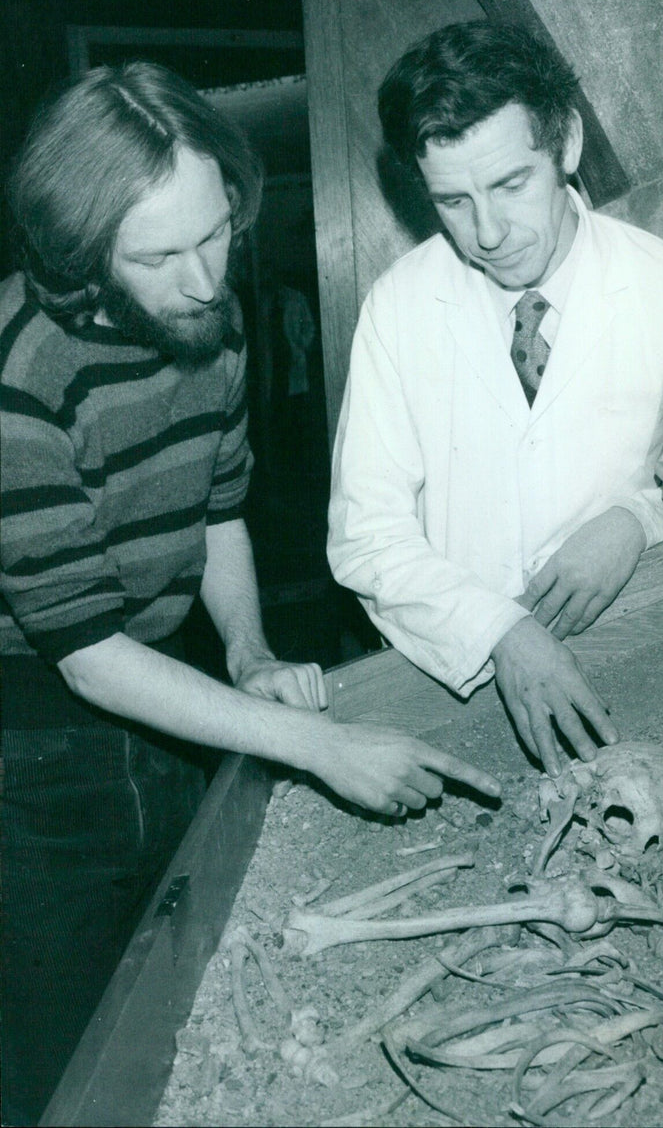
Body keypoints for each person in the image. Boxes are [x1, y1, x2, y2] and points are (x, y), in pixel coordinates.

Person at [0, 61, 499, 1125]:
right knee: (65, 1039)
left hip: (152, 668)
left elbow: (215, 509)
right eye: (159, 254)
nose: (201, 278)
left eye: (213, 233)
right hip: (24, 716)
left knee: (175, 965)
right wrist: (320, 743)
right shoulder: (17, 383)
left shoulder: (211, 325)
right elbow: (83, 651)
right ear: (82, 253)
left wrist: (249, 650)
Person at [328, 21, 663, 780]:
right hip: (454, 683)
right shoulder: (399, 306)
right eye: (452, 201)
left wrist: (638, 517)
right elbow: (366, 535)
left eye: (510, 185)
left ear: (568, 147)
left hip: (650, 656)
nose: (487, 232)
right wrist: (500, 630)